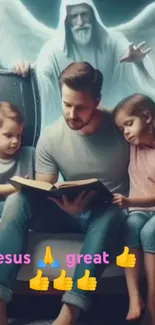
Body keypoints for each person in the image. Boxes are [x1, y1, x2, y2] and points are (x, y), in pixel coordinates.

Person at [0, 62, 129, 325]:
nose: (72, 113)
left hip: (106, 215)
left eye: (81, 106)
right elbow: (43, 190)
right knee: (16, 200)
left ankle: (70, 312)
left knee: (113, 214)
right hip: (67, 211)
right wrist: (64, 204)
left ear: (97, 100)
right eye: (66, 104)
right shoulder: (51, 137)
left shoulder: (120, 128)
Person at [13, 0, 154, 129]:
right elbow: (42, 75)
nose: (80, 22)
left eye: (84, 15)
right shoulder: (54, 49)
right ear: (67, 21)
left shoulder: (113, 42)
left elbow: (131, 58)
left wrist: (138, 63)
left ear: (92, 16)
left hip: (111, 124)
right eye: (74, 17)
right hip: (76, 122)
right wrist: (26, 69)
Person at [112, 94, 155, 325]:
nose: (125, 132)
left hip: (148, 209)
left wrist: (129, 201)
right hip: (138, 210)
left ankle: (153, 303)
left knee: (149, 232)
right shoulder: (134, 144)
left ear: (148, 117)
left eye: (129, 125)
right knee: (130, 225)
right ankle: (134, 298)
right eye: (121, 129)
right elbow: (112, 114)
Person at [0, 101, 35, 217]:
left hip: (27, 209)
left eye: (18, 135)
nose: (15, 141)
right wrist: (16, 187)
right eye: (9, 135)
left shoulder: (30, 154)